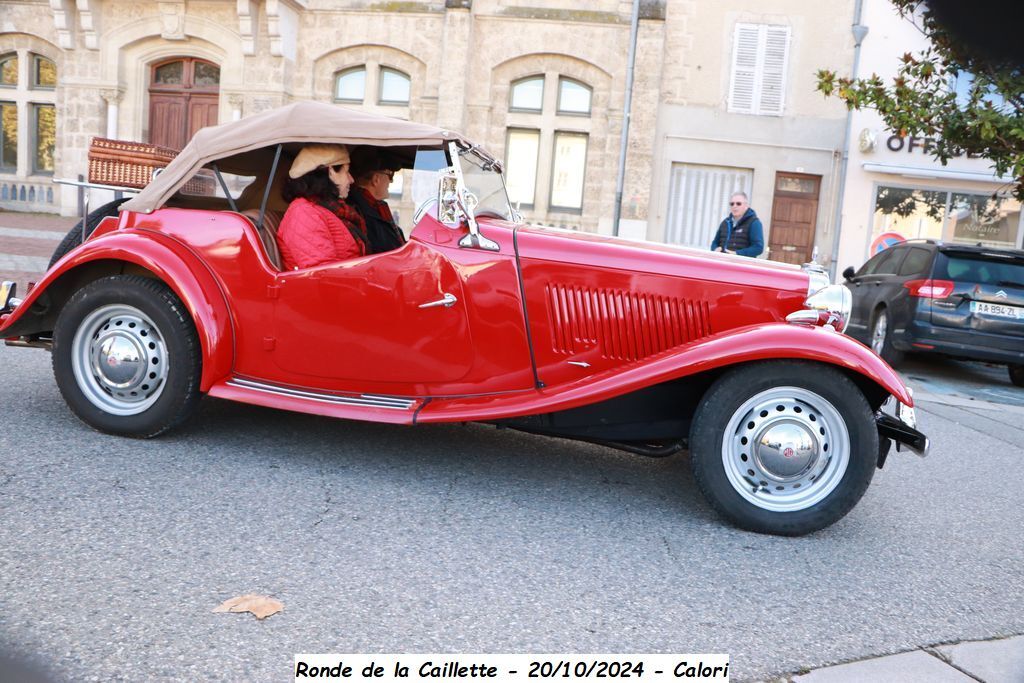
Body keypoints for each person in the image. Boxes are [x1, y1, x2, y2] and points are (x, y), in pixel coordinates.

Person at [276, 143, 369, 270]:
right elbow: (322, 274)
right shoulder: (304, 212)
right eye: (347, 172)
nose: (351, 179)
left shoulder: (328, 209)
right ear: (331, 172)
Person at [347, 146, 406, 254]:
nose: (391, 181)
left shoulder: (374, 208)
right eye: (390, 175)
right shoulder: (358, 211)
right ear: (376, 179)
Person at [710, 192, 764, 257]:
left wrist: (737, 253)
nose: (734, 206)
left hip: (742, 265)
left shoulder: (754, 223)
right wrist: (715, 249)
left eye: (738, 203)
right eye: (732, 204)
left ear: (746, 206)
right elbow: (715, 242)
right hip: (722, 263)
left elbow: (758, 248)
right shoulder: (725, 222)